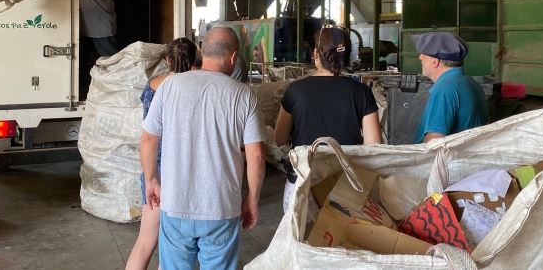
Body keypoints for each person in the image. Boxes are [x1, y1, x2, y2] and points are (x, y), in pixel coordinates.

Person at [141, 27, 267, 270]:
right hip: (221, 207)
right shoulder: (243, 94)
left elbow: (148, 140)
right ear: (233, 57)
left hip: (175, 203)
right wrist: (251, 199)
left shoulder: (169, 86)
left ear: (203, 52)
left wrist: (152, 181)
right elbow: (257, 156)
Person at [274, 26, 383, 213]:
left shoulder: (295, 90)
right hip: (345, 184)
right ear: (347, 56)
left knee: (299, 239)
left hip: (303, 183)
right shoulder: (362, 93)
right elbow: (374, 144)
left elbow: (279, 139)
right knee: (344, 239)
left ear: (315, 53)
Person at [126, 38, 197, 270]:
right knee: (176, 245)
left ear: (167, 60)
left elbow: (148, 133)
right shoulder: (195, 87)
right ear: (195, 59)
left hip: (154, 163)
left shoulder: (153, 84)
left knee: (145, 241)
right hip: (183, 164)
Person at [411, 31, 488, 144]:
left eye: (424, 54)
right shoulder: (473, 84)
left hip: (445, 161)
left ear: (434, 61)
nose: (420, 57)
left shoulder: (444, 89)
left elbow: (435, 143)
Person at [64, 0, 118, 99]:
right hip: (88, 27)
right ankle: (83, 91)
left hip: (101, 27)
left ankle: (118, 92)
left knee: (112, 63)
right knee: (81, 61)